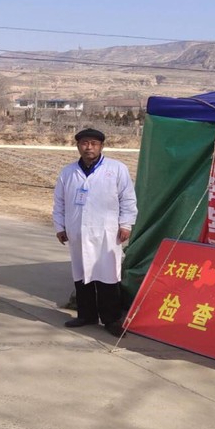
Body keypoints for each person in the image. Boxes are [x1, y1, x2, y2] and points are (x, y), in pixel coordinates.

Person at [52, 128, 138, 336]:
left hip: (107, 233)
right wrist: (60, 227)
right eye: (84, 143)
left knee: (108, 276)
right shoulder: (68, 173)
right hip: (77, 232)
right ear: (78, 146)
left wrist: (126, 224)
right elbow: (59, 202)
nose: (88, 147)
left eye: (93, 143)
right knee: (82, 275)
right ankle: (86, 315)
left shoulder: (117, 169)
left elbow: (127, 199)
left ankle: (111, 320)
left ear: (101, 146)